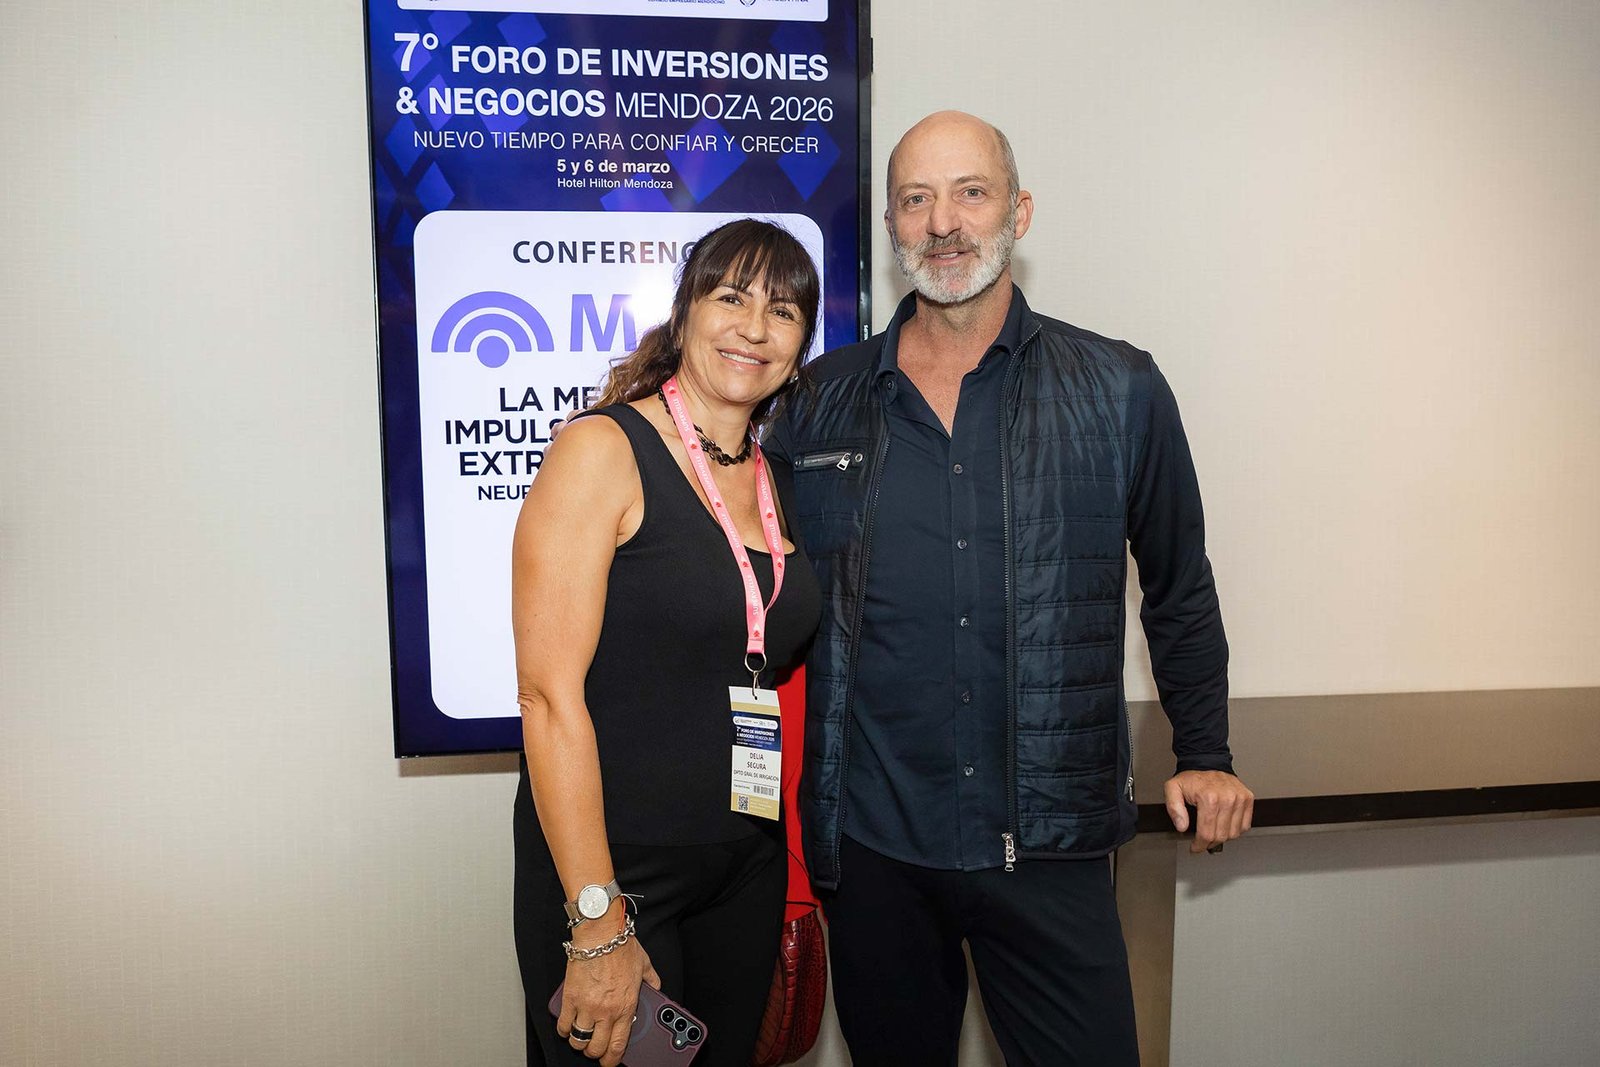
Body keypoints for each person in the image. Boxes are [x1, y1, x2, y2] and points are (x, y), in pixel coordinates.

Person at [764, 111, 1255, 1066]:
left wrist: (1206, 750)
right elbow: (751, 590)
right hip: (875, 853)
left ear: (1018, 212)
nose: (942, 222)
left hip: (1050, 848)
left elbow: (1179, 585)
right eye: (916, 200)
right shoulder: (818, 400)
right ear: (893, 227)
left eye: (970, 193)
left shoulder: (1119, 390)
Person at [511, 218, 823, 1067]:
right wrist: (597, 917)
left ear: (800, 346)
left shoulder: (776, 479)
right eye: (732, 298)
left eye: (783, 311)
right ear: (685, 313)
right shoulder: (602, 450)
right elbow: (547, 697)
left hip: (744, 867)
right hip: (617, 876)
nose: (754, 327)